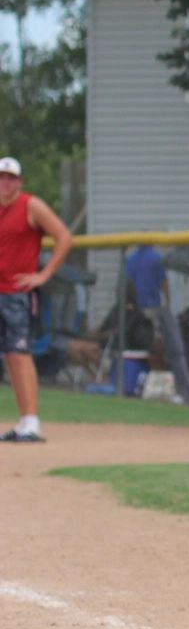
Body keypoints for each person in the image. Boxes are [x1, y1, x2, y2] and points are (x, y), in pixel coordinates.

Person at [0, 157, 74, 442]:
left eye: (10, 178)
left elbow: (64, 237)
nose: (5, 183)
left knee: (19, 354)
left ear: (19, 182)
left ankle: (32, 421)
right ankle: (22, 422)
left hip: (17, 294)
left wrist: (43, 275)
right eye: (2, 178)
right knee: (9, 356)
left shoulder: (30, 205)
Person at [124, 243, 189, 404]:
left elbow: (126, 283)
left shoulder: (131, 259)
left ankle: (154, 382)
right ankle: (161, 384)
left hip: (135, 310)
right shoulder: (156, 257)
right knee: (159, 347)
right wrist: (169, 305)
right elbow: (164, 283)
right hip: (152, 309)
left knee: (149, 347)